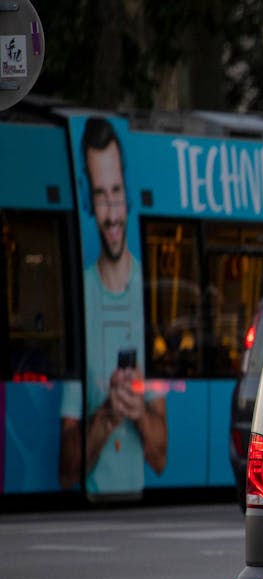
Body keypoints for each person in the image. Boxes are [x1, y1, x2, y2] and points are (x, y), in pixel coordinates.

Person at [58, 116, 168, 494]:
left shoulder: (148, 293)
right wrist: (107, 414)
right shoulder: (80, 296)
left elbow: (159, 458)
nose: (112, 212)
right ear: (89, 200)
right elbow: (67, 473)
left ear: (129, 195)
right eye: (101, 195)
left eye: (116, 191)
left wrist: (138, 413)